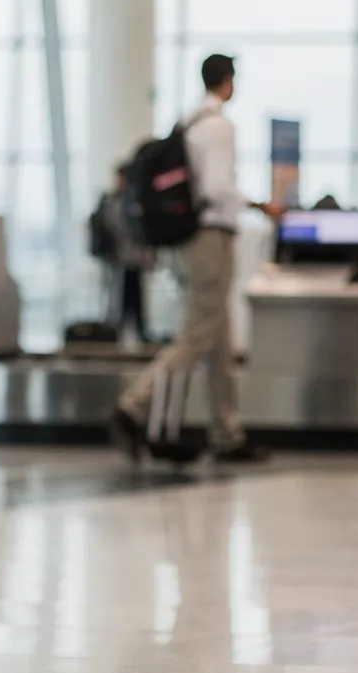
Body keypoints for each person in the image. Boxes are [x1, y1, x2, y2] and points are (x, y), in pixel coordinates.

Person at [107, 53, 281, 464]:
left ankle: (227, 434)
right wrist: (259, 205)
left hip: (182, 242)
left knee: (217, 336)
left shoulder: (186, 123)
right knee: (198, 335)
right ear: (228, 80)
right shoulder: (219, 126)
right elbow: (219, 187)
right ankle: (132, 408)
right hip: (208, 240)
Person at [91, 172, 152, 343]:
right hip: (117, 260)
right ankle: (115, 331)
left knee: (135, 298)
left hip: (133, 259)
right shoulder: (113, 201)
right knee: (118, 298)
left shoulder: (131, 200)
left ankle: (139, 330)